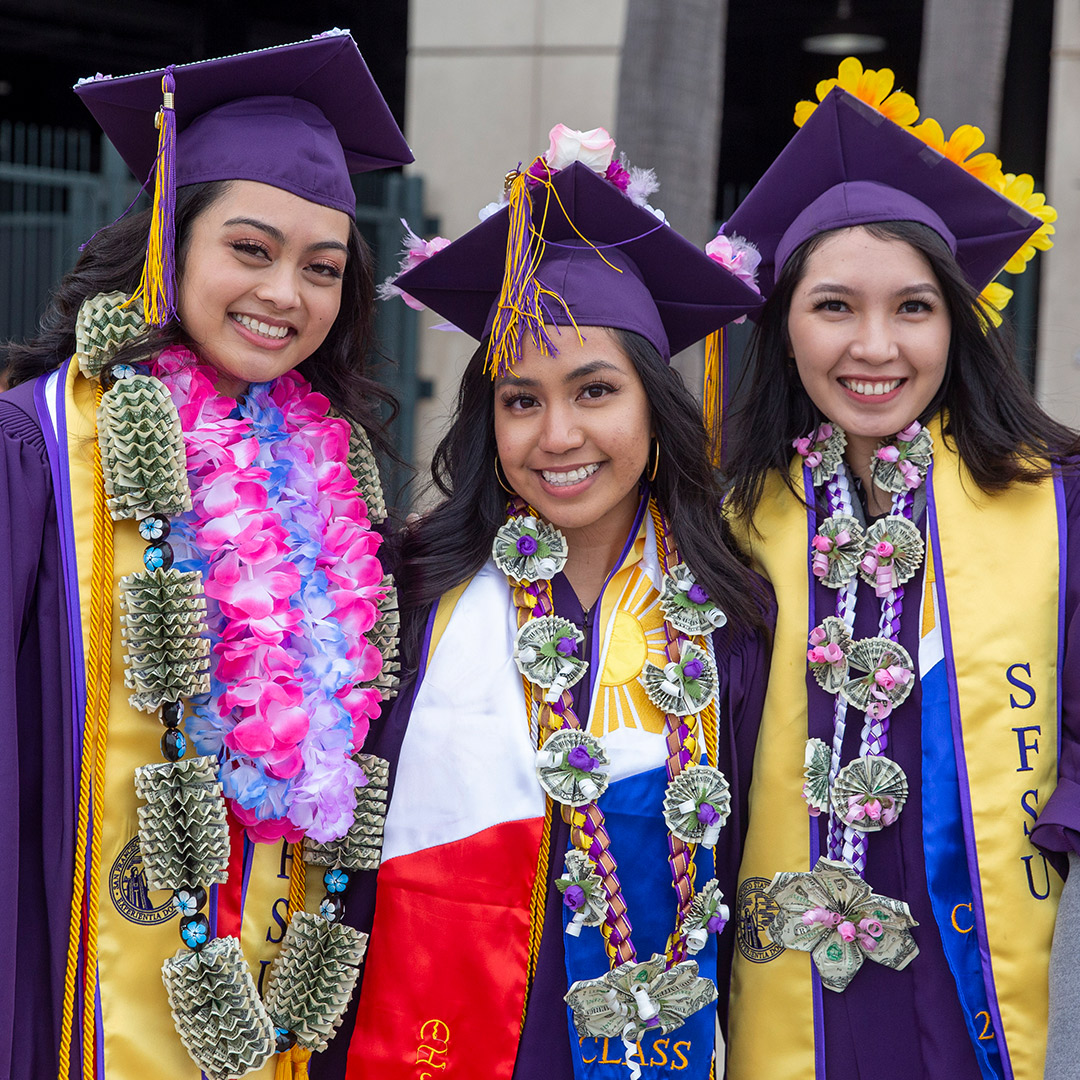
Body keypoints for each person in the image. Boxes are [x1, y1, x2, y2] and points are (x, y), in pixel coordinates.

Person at [0, 32, 412, 1080]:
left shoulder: (333, 480)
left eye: (322, 269)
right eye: (250, 248)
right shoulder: (36, 450)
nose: (286, 293)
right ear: (168, 244)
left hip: (263, 984)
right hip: (72, 976)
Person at [328, 126, 771, 1080]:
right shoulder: (410, 592)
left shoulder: (734, 618)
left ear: (658, 408)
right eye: (521, 398)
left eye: (596, 389)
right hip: (431, 1037)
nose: (557, 434)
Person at [716, 58, 1076, 1080]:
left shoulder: (1059, 503)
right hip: (794, 999)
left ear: (959, 322)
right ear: (783, 330)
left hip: (992, 982)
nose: (875, 347)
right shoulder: (729, 524)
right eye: (834, 306)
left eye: (913, 307)